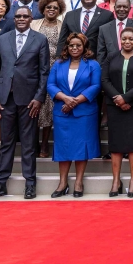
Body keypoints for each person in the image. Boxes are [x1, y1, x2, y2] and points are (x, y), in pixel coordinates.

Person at [0, 6, 51, 200]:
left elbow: (44, 72)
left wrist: (39, 98)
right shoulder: (3, 39)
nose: (21, 19)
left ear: (31, 18)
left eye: (25, 16)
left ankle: (30, 183)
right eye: (18, 16)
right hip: (5, 99)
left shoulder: (40, 39)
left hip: (29, 100)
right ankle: (0, 184)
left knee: (29, 143)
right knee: (6, 142)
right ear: (13, 19)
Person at [47, 32, 102, 198]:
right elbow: (50, 84)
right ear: (67, 47)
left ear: (84, 47)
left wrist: (75, 101)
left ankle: (78, 182)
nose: (75, 48)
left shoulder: (92, 65)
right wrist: (65, 98)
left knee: (81, 147)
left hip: (84, 112)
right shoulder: (59, 64)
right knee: (63, 146)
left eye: (78, 45)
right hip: (62, 111)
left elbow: (95, 86)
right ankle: (62, 182)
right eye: (71, 45)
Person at [101, 26, 133, 197]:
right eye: (124, 39)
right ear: (120, 40)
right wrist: (118, 98)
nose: (127, 42)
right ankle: (115, 180)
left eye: (131, 39)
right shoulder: (111, 57)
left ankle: (132, 180)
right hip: (114, 106)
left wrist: (127, 98)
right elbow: (105, 79)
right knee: (115, 145)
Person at [31, 0, 65, 158]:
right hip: (34, 69)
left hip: (55, 69)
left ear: (60, 11)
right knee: (35, 105)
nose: (51, 10)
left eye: (55, 8)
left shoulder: (63, 25)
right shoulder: (33, 24)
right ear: (43, 9)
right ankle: (33, 143)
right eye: (48, 7)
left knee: (49, 108)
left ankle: (44, 144)